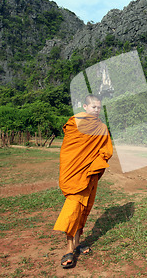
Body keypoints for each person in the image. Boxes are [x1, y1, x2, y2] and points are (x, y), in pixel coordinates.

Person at [53, 95, 113, 268]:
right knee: (73, 208)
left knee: (84, 209)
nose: (96, 110)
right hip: (75, 173)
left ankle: (77, 243)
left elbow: (106, 150)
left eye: (99, 108)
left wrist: (96, 163)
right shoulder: (75, 123)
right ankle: (69, 248)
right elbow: (69, 150)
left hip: (90, 174)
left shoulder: (101, 127)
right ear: (85, 106)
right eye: (93, 107)